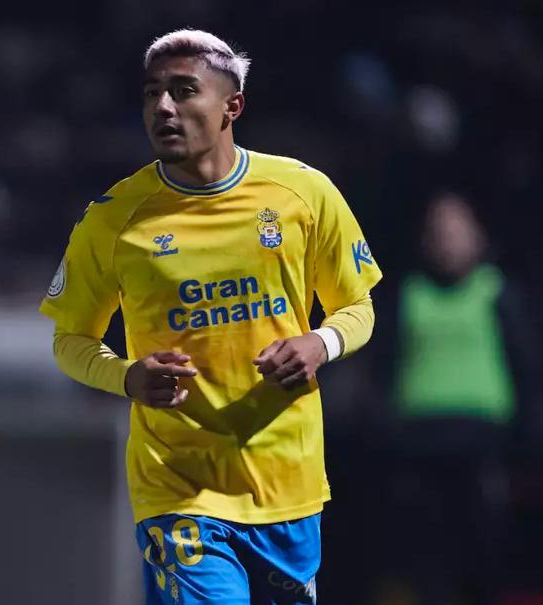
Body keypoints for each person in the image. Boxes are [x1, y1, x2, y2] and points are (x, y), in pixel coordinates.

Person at [41, 29, 383, 604]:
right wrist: (126, 376)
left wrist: (320, 343)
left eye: (183, 91)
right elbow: (69, 339)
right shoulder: (114, 219)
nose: (163, 107)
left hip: (287, 482)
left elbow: (359, 306)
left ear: (232, 106)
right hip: (177, 487)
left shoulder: (303, 192)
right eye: (152, 93)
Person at [371, 192, 543, 605]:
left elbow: (525, 364)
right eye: (438, 234)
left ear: (477, 236)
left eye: (456, 232)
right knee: (424, 555)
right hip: (418, 442)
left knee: (483, 549)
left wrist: (529, 435)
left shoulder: (497, 292)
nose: (447, 243)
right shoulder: (408, 295)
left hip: (482, 441)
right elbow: (383, 367)